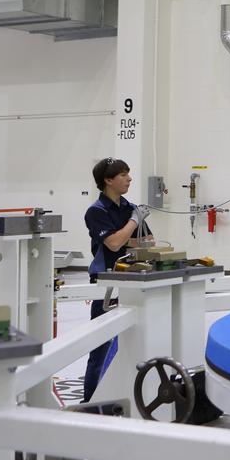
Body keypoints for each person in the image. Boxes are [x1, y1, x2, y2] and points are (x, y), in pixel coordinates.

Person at [82, 157, 151, 403]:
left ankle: (125, 393)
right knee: (100, 346)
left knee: (132, 343)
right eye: (123, 175)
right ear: (108, 180)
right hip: (107, 285)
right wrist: (134, 222)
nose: (129, 179)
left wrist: (128, 234)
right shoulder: (96, 212)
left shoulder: (127, 207)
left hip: (133, 282)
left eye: (128, 174)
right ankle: (90, 400)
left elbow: (147, 242)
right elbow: (112, 243)